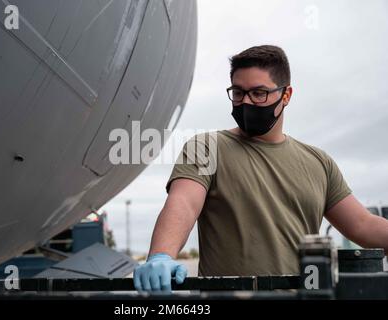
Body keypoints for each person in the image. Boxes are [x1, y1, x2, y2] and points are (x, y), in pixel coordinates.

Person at [133, 45, 388, 293]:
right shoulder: (207, 147)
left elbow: (362, 225)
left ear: (286, 95)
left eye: (259, 93)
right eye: (238, 93)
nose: (246, 102)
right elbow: (184, 204)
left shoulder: (319, 162)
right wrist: (161, 255)